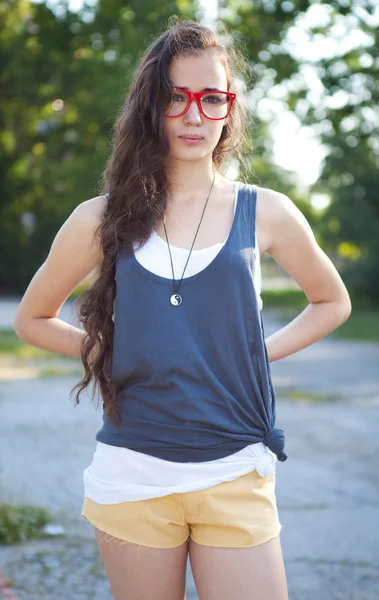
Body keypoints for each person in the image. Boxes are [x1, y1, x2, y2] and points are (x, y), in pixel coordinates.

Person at [14, 17, 352, 600]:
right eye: (176, 98)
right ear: (151, 107)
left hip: (236, 468)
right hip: (134, 474)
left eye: (211, 98)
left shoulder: (267, 211)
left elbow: (332, 302)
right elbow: (31, 319)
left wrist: (255, 353)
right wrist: (107, 349)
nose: (195, 115)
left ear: (229, 107)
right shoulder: (99, 218)